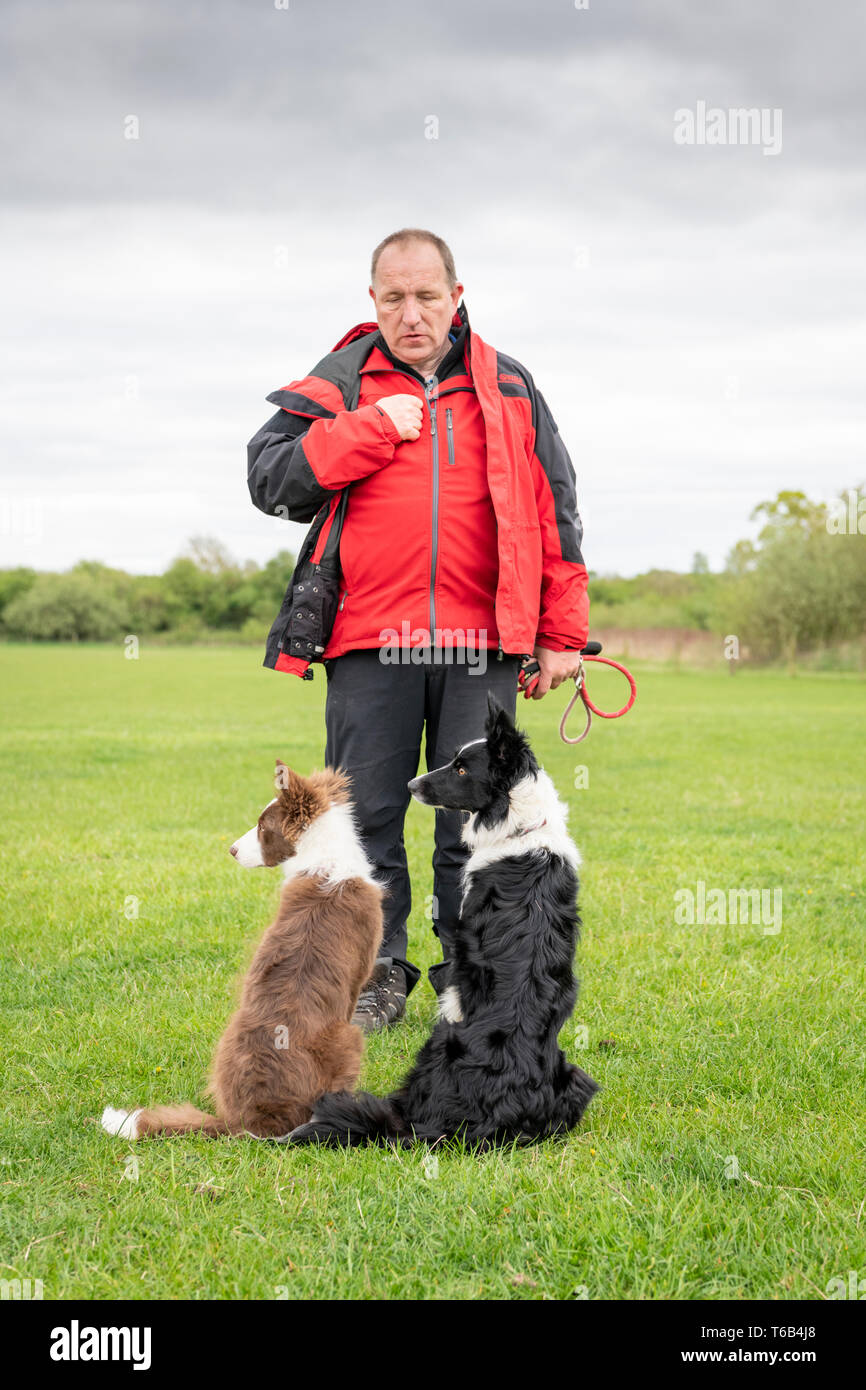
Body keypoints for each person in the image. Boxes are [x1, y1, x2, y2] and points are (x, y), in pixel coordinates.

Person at [247, 228, 589, 1030]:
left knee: (475, 815)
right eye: (394, 297)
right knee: (365, 815)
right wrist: (369, 428)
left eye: (427, 296)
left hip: (483, 641)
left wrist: (561, 630)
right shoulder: (344, 383)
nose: (411, 313)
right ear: (373, 302)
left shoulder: (509, 384)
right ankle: (377, 975)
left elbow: (556, 510)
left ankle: (464, 973)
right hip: (368, 640)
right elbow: (270, 477)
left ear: (455, 297)